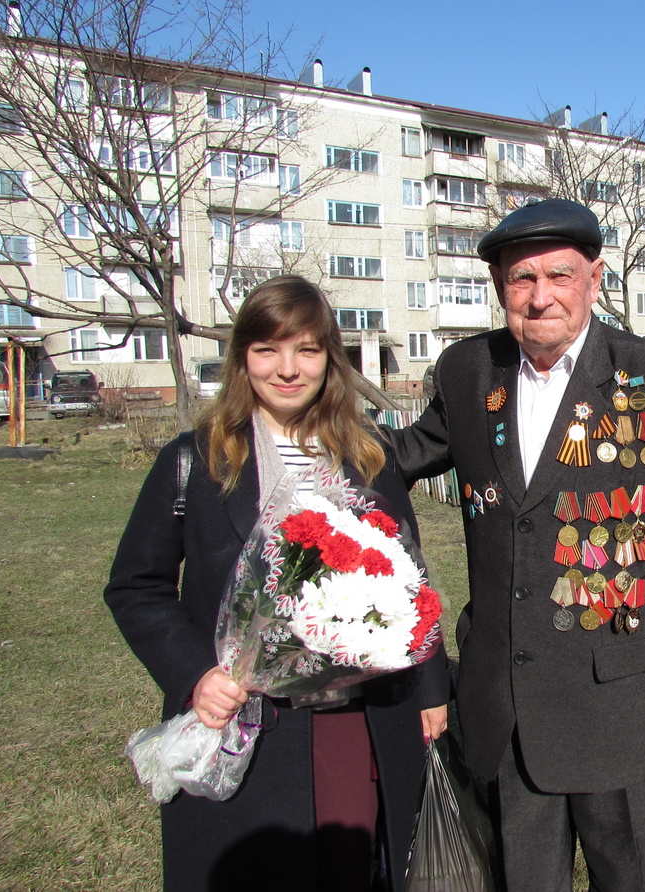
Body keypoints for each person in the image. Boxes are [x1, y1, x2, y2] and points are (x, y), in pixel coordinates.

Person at [385, 199, 645, 892]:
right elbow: (401, 456)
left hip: (617, 707)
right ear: (499, 289)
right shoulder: (467, 370)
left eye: (559, 275)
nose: (540, 296)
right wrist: (293, 434)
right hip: (506, 707)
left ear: (595, 278)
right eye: (520, 280)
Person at [105, 276, 450, 892]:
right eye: (268, 349)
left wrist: (431, 689)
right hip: (244, 724)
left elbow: (410, 581)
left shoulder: (370, 458)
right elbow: (136, 585)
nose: (288, 369)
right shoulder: (195, 461)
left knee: (352, 872)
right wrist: (195, 675)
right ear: (242, 358)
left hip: (356, 722)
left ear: (330, 360)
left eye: (308, 350)